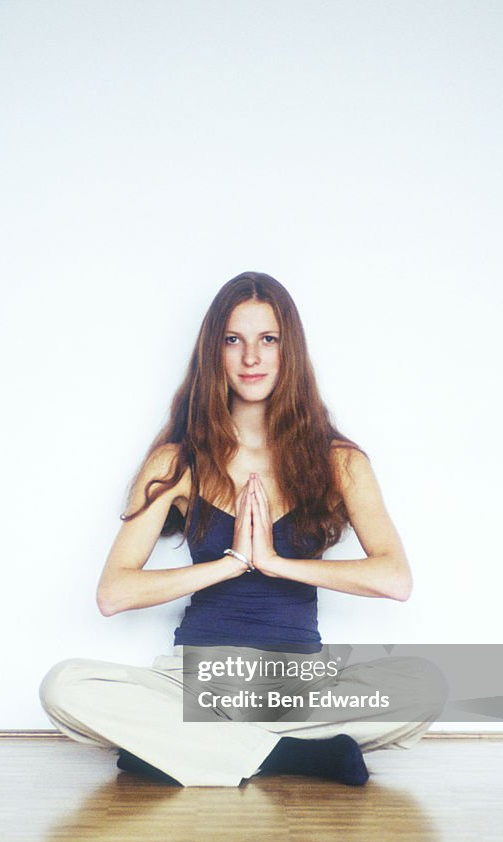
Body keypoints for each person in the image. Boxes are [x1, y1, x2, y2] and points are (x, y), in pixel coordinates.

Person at [39, 272, 445, 787]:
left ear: (288, 350)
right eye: (234, 340)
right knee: (64, 686)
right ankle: (293, 758)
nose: (251, 357)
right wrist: (228, 564)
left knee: (424, 684)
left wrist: (275, 563)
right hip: (194, 685)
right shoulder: (177, 461)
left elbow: (396, 579)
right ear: (216, 352)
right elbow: (113, 593)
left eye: (267, 339)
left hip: (296, 688)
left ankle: (189, 753)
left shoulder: (340, 462)